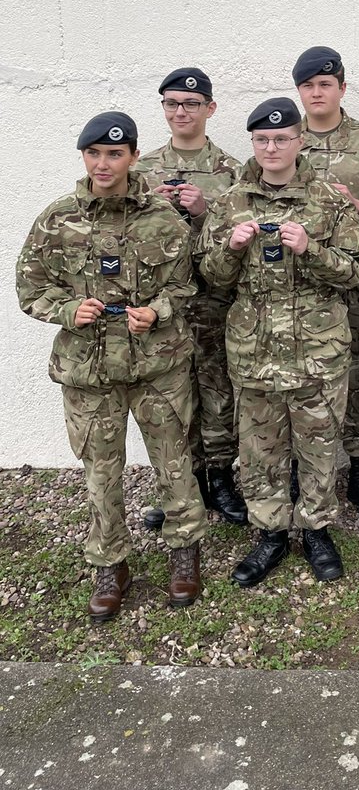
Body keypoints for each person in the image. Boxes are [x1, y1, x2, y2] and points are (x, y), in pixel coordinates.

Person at [16, 111, 206, 622]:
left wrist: (157, 311)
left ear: (133, 157)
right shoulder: (57, 220)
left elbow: (186, 285)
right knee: (101, 471)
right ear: (84, 156)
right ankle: (111, 562)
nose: (104, 163)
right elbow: (30, 289)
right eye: (94, 153)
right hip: (89, 370)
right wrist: (65, 310)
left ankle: (183, 550)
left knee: (173, 461)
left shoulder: (164, 219)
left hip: (156, 366)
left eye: (114, 154)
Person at [197, 98, 359, 588]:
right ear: (253, 143)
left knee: (318, 446)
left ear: (299, 142)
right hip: (254, 352)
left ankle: (316, 529)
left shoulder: (330, 201)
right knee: (260, 451)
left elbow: (356, 274)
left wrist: (309, 249)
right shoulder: (231, 201)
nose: (271, 147)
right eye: (262, 139)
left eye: (281, 138)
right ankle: (271, 532)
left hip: (317, 351)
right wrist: (230, 248)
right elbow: (211, 278)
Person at [292, 46, 359, 523]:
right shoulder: (283, 139)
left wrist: (358, 206)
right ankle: (300, 473)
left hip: (358, 285)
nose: (317, 93)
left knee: (358, 374)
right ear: (299, 91)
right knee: (297, 378)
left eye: (325, 84)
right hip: (300, 289)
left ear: (341, 87)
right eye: (309, 85)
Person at [137, 66, 247, 530]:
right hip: (164, 309)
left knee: (218, 392)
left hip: (215, 302)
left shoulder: (233, 172)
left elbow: (241, 240)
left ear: (210, 109)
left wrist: (205, 213)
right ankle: (182, 486)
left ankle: (220, 477)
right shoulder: (141, 172)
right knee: (171, 397)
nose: (180, 111)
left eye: (191, 103)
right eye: (172, 104)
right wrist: (154, 210)